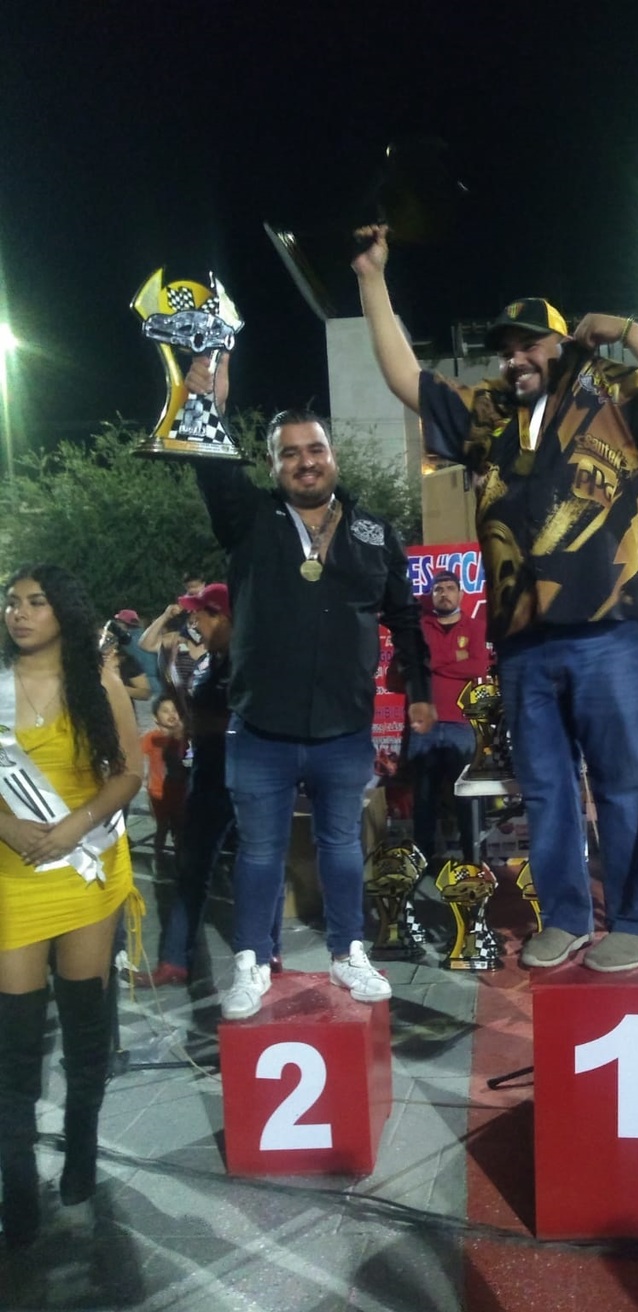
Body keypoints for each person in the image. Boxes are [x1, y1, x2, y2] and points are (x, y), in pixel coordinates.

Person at [354, 224, 638, 972]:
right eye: (506, 348)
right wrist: (371, 280)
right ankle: (568, 918)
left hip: (605, 633)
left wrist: (628, 331)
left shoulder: (613, 394)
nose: (515, 358)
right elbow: (406, 379)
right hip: (520, 645)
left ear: (564, 345)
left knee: (625, 782)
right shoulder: (487, 413)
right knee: (546, 790)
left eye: (530, 344)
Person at [185, 354, 433, 1019]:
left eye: (314, 449)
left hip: (343, 728)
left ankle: (349, 951)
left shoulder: (374, 532)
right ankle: (251, 960)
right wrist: (209, 404)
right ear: (273, 466)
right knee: (260, 851)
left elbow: (405, 616)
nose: (305, 462)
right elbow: (212, 466)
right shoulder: (248, 520)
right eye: (289, 453)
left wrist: (420, 689)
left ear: (333, 456)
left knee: (342, 847)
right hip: (260, 727)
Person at [0, 565, 143, 1248]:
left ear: (63, 611)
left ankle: (81, 1147)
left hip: (85, 868)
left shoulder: (98, 682)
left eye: (36, 602)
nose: (19, 613)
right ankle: (18, 1186)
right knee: (15, 1039)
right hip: (14, 875)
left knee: (86, 1027)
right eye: (12, 602)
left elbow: (130, 773)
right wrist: (7, 826)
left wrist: (74, 826)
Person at [146, 583, 284, 986]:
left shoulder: (254, 660)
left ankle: (268, 950)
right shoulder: (213, 662)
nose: (195, 621)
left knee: (260, 864)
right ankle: (175, 959)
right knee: (192, 868)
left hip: (251, 778)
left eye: (202, 613)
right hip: (208, 777)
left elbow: (260, 717)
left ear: (224, 617)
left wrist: (205, 723)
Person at [409, 568, 490, 863]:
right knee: (424, 799)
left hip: (461, 724)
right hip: (424, 724)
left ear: (461, 594)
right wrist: (455, 658)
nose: (444, 593)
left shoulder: (475, 627)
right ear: (432, 596)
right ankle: (422, 864)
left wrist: (433, 661)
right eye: (438, 589)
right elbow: (412, 664)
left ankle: (473, 863)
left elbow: (478, 666)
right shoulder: (419, 628)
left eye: (450, 588)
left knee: (467, 799)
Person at [140, 694, 189, 856]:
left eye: (175, 710)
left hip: (182, 792)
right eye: (165, 711)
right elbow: (139, 758)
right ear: (155, 718)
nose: (171, 714)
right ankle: (158, 858)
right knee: (162, 827)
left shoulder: (185, 738)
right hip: (158, 793)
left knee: (180, 829)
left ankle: (180, 859)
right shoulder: (151, 737)